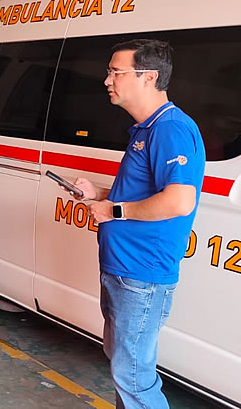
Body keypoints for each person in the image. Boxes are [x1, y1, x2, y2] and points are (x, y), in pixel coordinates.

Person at [68, 39, 204, 409]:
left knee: (134, 377)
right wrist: (99, 193)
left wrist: (112, 212)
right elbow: (142, 192)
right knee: (124, 367)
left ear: (149, 77)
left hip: (142, 273)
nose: (107, 80)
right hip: (122, 268)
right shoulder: (146, 129)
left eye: (116, 72)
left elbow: (179, 200)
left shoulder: (171, 129)